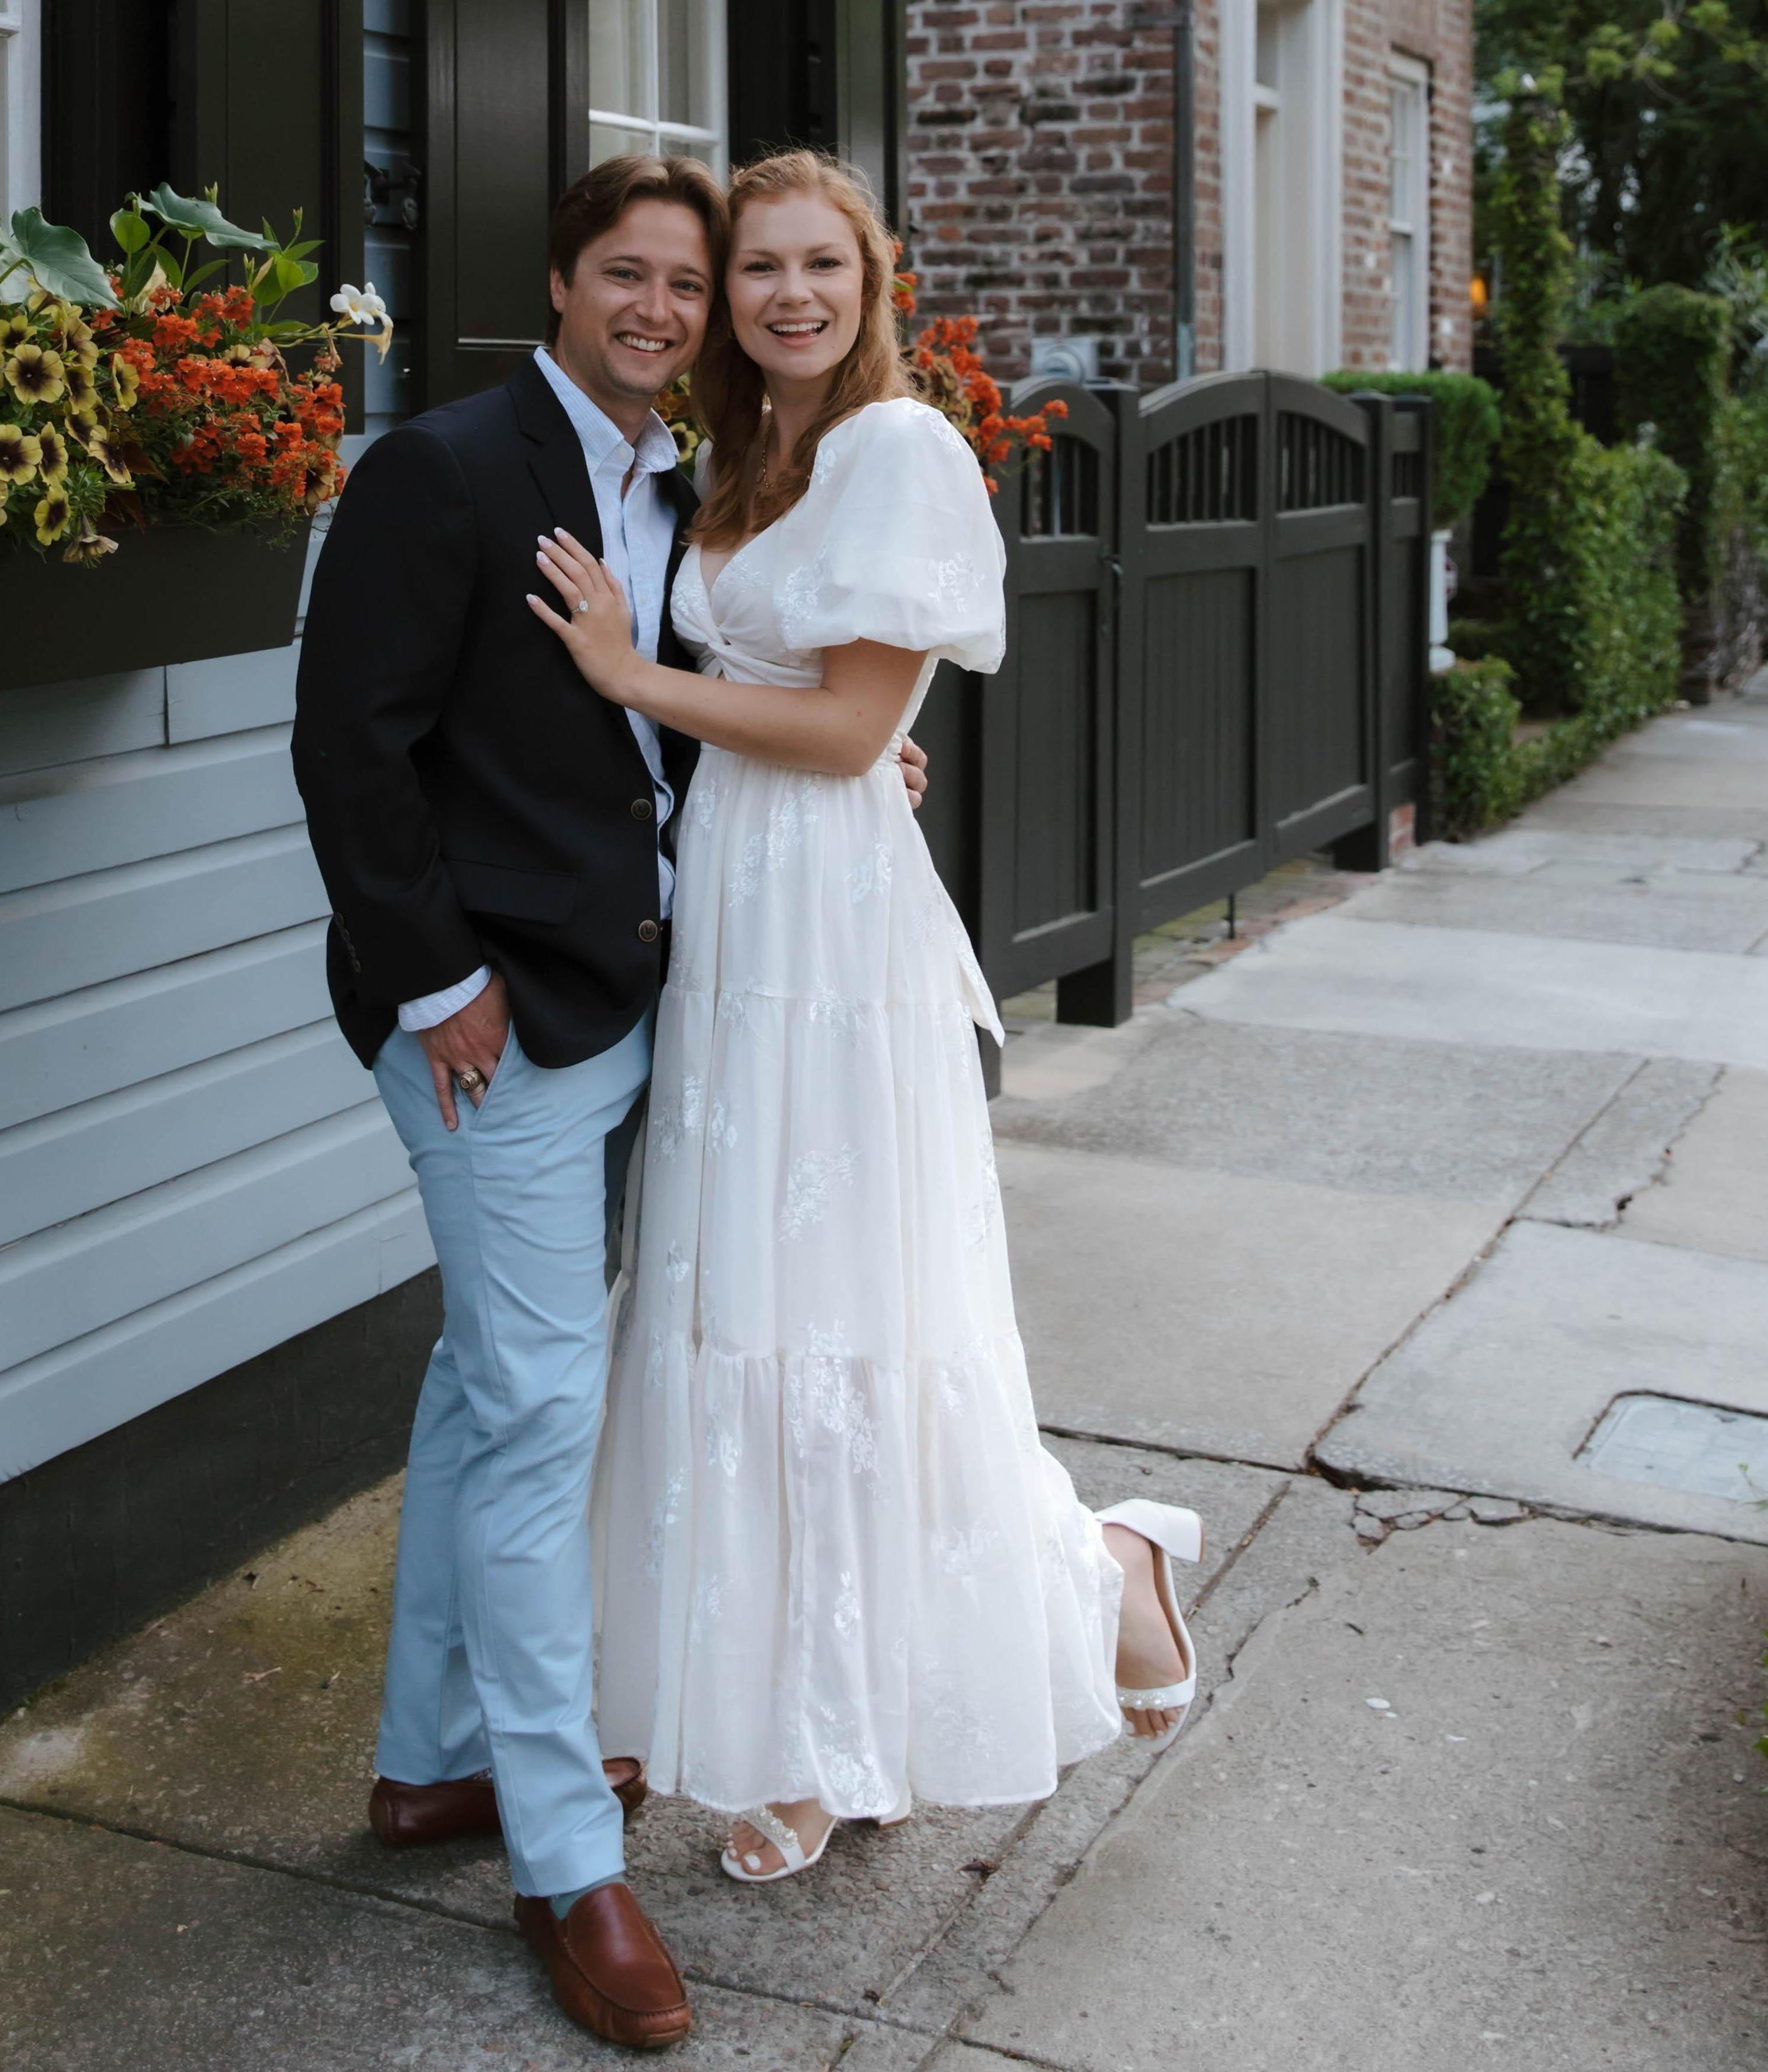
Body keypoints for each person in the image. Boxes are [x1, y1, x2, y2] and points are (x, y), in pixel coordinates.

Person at [291, 153, 926, 2048]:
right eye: (626, 275)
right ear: (559, 282)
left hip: (646, 1000)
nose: (660, 308)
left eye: (687, 283)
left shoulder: (691, 475)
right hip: (487, 1024)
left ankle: (431, 1760)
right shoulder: (442, 467)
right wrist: (439, 985)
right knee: (543, 1410)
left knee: (486, 1384)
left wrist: (848, 763)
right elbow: (348, 749)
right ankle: (569, 1859)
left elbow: (661, 718)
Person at [533, 149, 1205, 1888]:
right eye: (756, 267)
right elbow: (807, 706)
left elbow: (842, 729)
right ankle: (806, 1708)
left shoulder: (900, 446)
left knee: (843, 1315)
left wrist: (629, 672)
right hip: (734, 905)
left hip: (829, 933)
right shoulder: (737, 459)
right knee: (737, 1308)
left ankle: (1046, 1604)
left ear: (872, 280)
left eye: (818, 264)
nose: (786, 295)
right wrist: (764, 723)